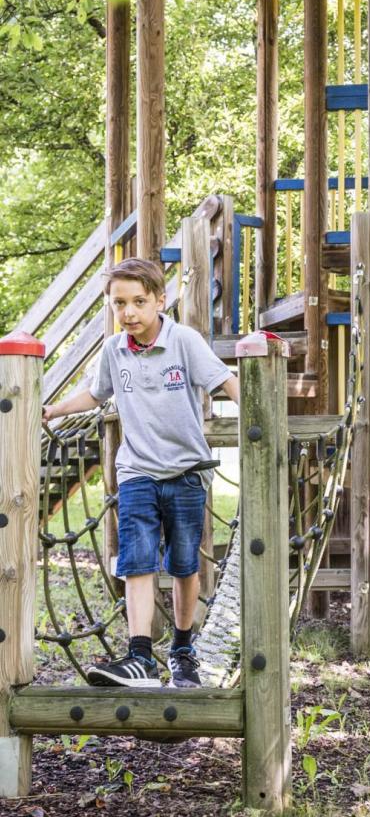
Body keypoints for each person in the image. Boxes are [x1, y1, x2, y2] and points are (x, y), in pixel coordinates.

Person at [43, 258, 240, 688]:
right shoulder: (114, 350)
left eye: (138, 301)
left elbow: (225, 380)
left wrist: (261, 415)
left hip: (187, 472)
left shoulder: (183, 340)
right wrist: (55, 410)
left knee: (185, 565)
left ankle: (183, 650)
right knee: (137, 560)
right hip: (136, 472)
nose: (128, 312)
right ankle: (140, 656)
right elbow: (96, 394)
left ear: (159, 300)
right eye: (119, 303)